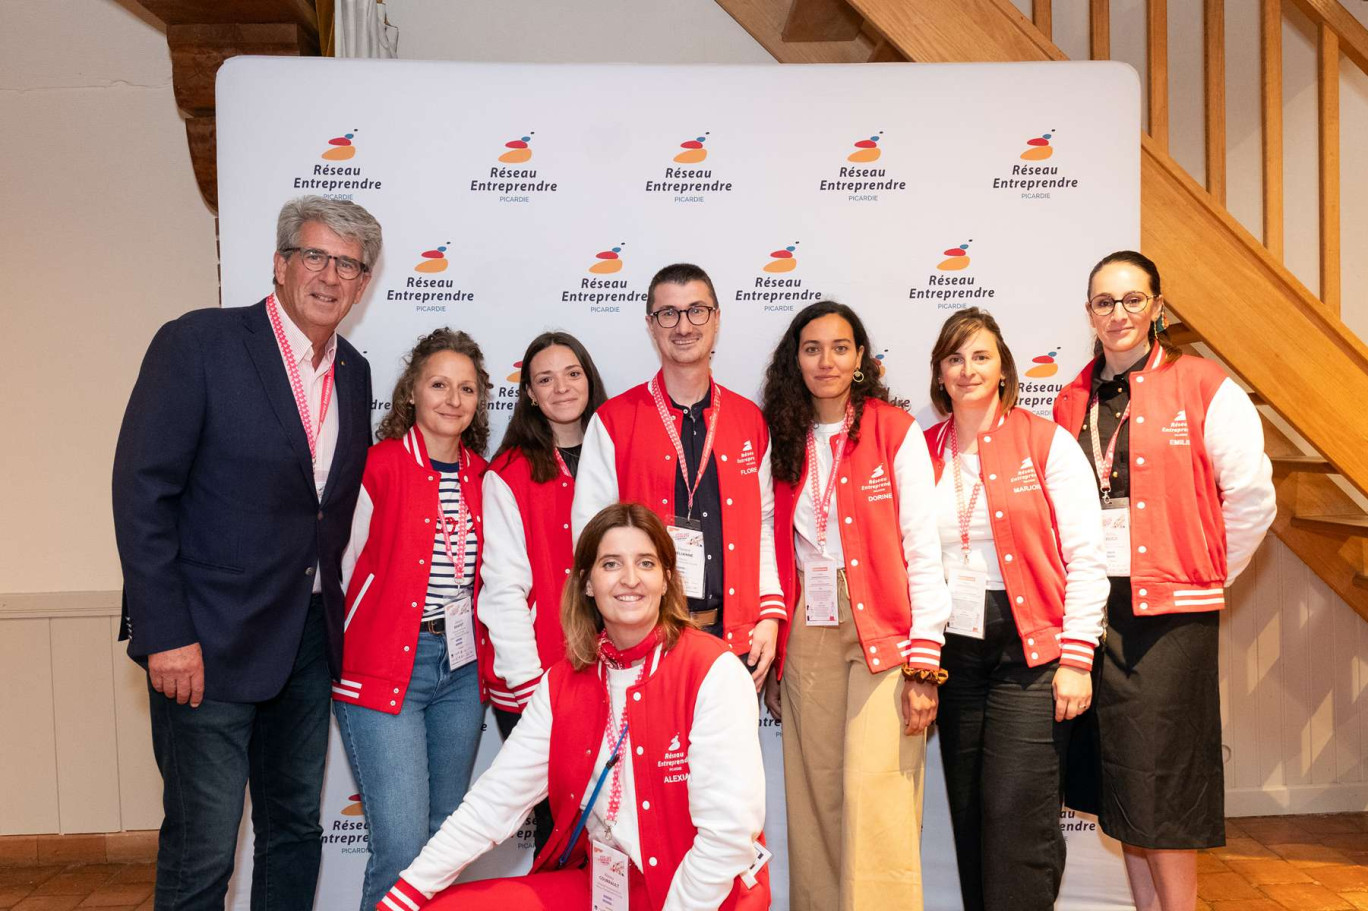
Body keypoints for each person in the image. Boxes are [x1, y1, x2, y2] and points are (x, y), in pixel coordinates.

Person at [111, 196, 380, 910]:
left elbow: (328, 511)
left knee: (293, 830)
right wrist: (164, 631)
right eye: (315, 256)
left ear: (363, 282)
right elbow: (143, 493)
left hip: (307, 640)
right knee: (204, 848)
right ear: (280, 263)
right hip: (205, 645)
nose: (330, 275)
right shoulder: (199, 343)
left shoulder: (353, 371)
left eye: (348, 264)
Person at [376, 503, 770, 911]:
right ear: (587, 582)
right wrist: (403, 896)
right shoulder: (562, 683)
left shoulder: (713, 671)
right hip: (608, 891)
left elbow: (727, 837)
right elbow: (493, 803)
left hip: (701, 892)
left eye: (647, 563)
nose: (630, 580)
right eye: (611, 564)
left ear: (667, 578)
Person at [1053, 251, 1275, 911]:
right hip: (1094, 610)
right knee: (1124, 789)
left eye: (1131, 299)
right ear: (1088, 312)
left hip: (1171, 617)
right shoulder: (1071, 399)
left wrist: (1200, 573)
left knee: (1165, 792)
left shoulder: (1205, 386)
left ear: (1158, 305)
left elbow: (1253, 500)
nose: (1118, 313)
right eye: (1104, 301)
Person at [759, 300, 952, 911]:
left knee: (879, 798)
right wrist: (776, 642)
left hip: (883, 626)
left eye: (840, 347)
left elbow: (923, 546)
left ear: (861, 358)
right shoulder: (779, 437)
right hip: (807, 629)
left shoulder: (892, 429)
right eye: (812, 348)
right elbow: (767, 539)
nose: (826, 360)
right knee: (814, 798)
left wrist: (925, 663)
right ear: (796, 358)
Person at [923, 307, 1110, 911]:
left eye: (981, 356)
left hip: (1030, 657)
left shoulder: (1047, 442)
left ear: (1004, 367)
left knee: (1017, 811)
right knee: (970, 809)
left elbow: (1087, 556)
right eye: (955, 358)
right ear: (940, 374)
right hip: (953, 654)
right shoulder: (922, 451)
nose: (968, 369)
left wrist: (1077, 658)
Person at [332, 328, 492, 911]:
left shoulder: (484, 477)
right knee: (400, 847)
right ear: (412, 394)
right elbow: (343, 573)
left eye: (467, 388)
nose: (453, 398)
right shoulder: (376, 467)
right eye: (439, 384)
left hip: (462, 674)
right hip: (384, 672)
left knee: (444, 841)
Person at [572, 263, 785, 688]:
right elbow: (589, 537)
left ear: (717, 319)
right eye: (668, 313)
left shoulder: (749, 421)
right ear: (651, 325)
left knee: (726, 756)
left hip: (735, 640)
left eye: (697, 311)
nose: (683, 325)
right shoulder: (613, 422)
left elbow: (762, 525)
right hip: (643, 638)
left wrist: (769, 615)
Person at [480, 330, 608, 853]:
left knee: (615, 830)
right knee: (562, 834)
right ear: (529, 393)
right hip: (542, 681)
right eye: (545, 379)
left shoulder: (616, 453)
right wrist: (537, 692)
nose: (561, 388)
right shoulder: (508, 472)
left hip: (615, 671)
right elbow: (503, 590)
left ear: (589, 378)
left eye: (572, 373)